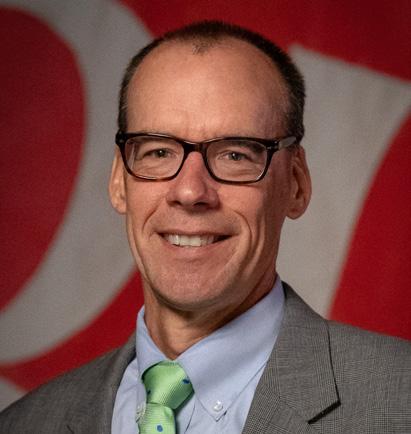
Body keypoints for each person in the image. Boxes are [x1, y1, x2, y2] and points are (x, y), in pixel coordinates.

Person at [1, 20, 410, 434]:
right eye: (158, 151)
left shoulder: (400, 402)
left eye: (235, 155)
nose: (190, 191)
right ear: (119, 181)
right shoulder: (26, 425)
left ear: (297, 184)